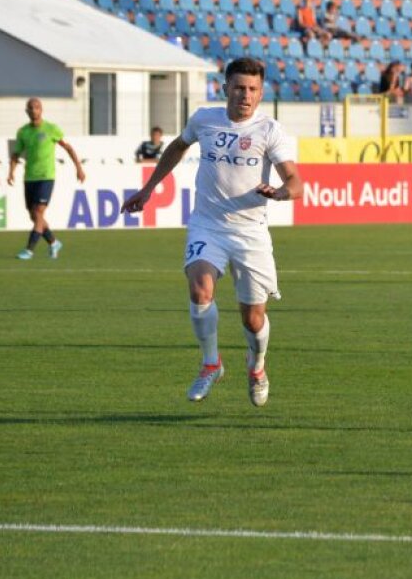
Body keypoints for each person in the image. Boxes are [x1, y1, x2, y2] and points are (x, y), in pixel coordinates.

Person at [121, 58, 301, 406]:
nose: (245, 95)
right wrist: (149, 188)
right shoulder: (205, 119)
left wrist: (281, 192)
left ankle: (257, 366)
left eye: (252, 89)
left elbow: (295, 181)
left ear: (261, 93)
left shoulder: (269, 130)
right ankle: (211, 363)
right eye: (239, 87)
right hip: (208, 225)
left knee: (253, 319)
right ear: (225, 88)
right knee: (200, 289)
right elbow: (177, 146)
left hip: (250, 232)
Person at [7, 98, 86, 260]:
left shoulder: (51, 129)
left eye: (37, 107)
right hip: (29, 177)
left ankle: (29, 249)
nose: (34, 110)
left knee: (39, 212)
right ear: (27, 111)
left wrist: (78, 167)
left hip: (46, 177)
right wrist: (11, 172)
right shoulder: (23, 132)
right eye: (31, 108)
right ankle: (53, 242)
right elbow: (16, 154)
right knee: (34, 216)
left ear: (41, 110)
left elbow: (68, 147)